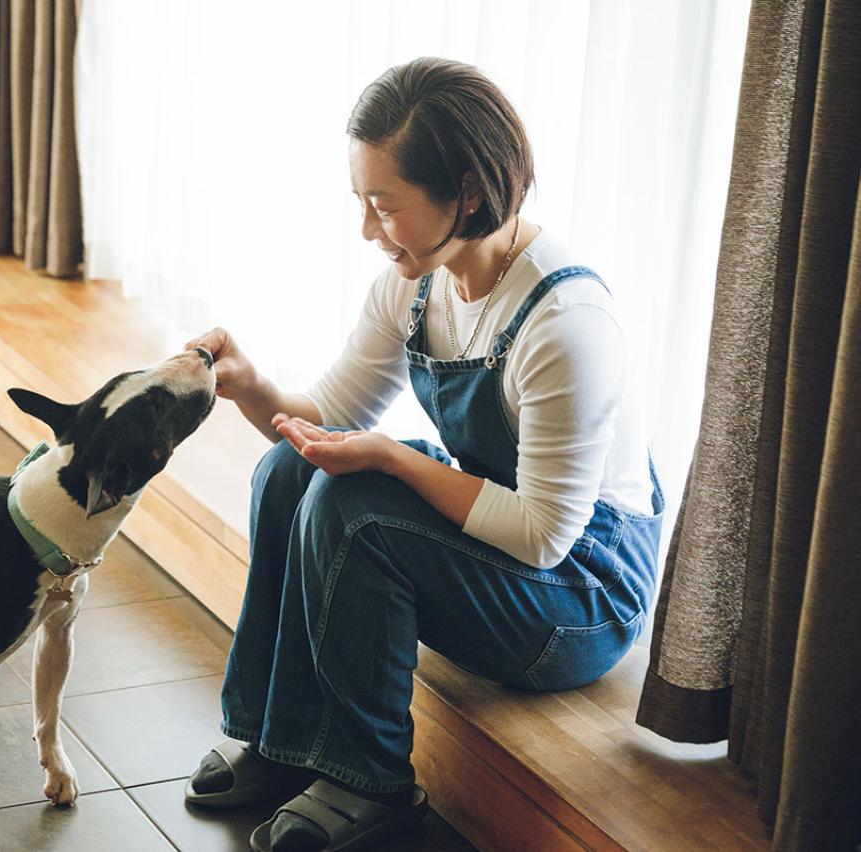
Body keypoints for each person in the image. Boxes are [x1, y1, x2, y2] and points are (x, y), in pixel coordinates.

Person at [180, 57, 664, 852]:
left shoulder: (565, 324)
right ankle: (279, 737)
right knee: (287, 471)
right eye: (360, 203)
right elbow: (323, 420)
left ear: (467, 193)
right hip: (498, 541)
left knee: (356, 512)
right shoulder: (413, 282)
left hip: (579, 597)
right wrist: (248, 384)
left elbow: (545, 536)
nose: (368, 230)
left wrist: (398, 462)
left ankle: (370, 780)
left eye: (383, 206)